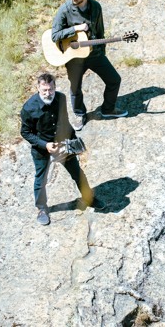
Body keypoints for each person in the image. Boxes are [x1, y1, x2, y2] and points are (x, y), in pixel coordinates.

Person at [20, 73, 103, 226]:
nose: (47, 93)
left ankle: (88, 198)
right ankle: (42, 209)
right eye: (44, 90)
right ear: (37, 88)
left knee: (77, 173)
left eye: (50, 89)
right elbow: (25, 132)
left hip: (62, 145)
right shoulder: (28, 108)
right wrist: (45, 144)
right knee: (41, 180)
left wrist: (74, 142)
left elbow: (64, 121)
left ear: (55, 87)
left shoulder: (61, 98)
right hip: (42, 149)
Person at [52, 0, 127, 130]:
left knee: (114, 80)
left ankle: (108, 109)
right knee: (75, 88)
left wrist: (102, 52)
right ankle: (80, 114)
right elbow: (54, 35)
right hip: (75, 58)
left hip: (94, 55)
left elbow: (100, 32)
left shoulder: (96, 7)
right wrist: (76, 29)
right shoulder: (65, 10)